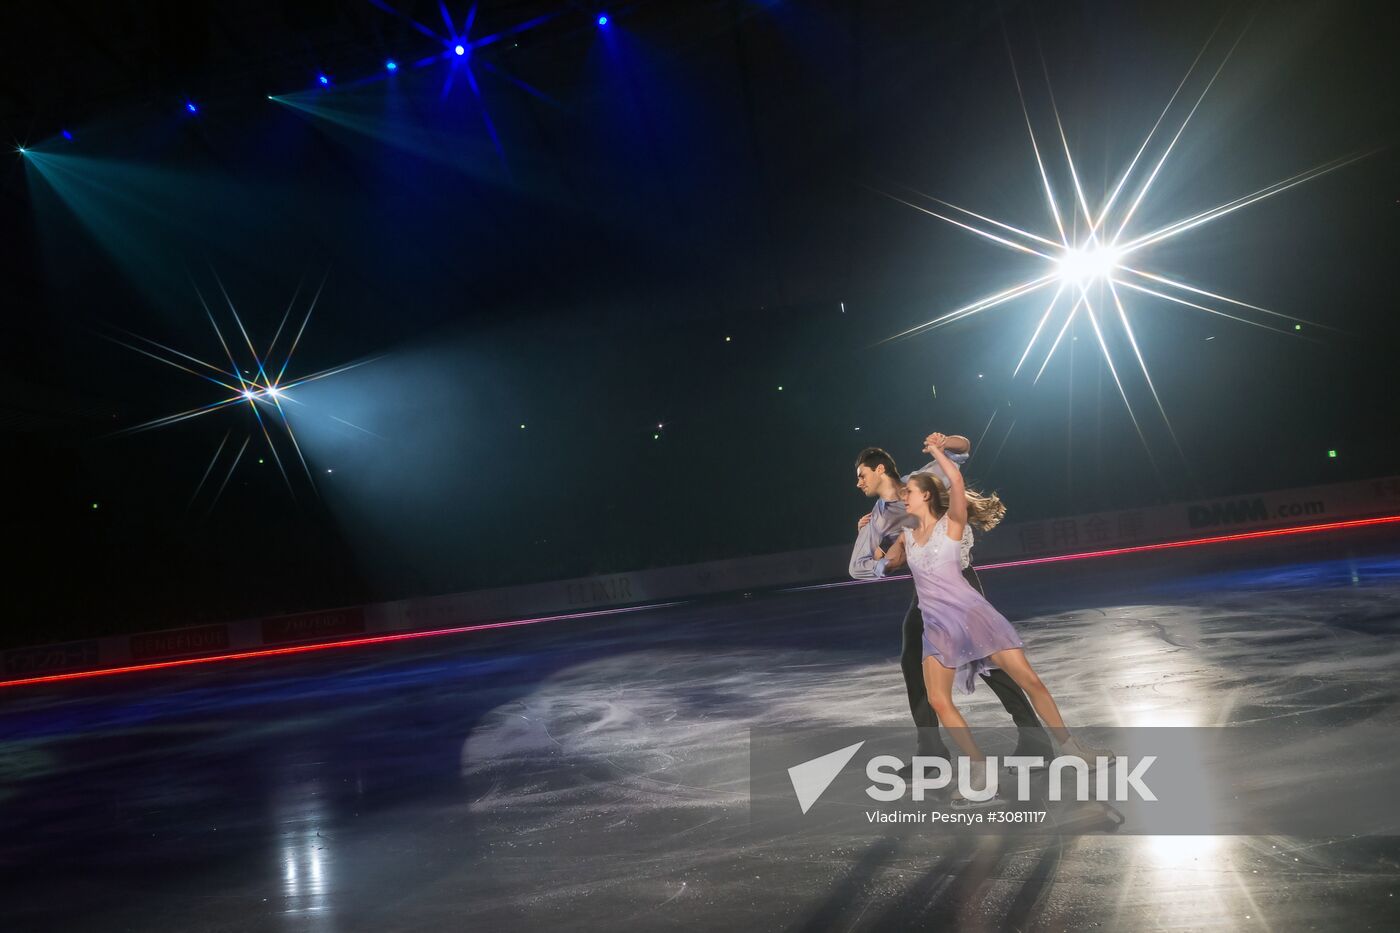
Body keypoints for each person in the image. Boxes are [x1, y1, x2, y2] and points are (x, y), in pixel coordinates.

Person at [878, 433, 1111, 803]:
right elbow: (888, 559)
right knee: (939, 700)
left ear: (926, 495)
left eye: (910, 490)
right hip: (938, 627)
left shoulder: (951, 524)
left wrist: (939, 451)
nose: (903, 494)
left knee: (1031, 681)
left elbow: (954, 480)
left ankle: (1070, 746)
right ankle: (980, 769)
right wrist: (870, 545)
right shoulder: (907, 531)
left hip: (974, 617)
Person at [851, 439, 1054, 783]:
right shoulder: (880, 517)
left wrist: (943, 442)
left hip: (958, 580)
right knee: (910, 660)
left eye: (862, 474)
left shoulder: (922, 478)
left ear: (880, 468)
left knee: (986, 660)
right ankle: (931, 753)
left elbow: (961, 451)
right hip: (927, 592)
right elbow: (877, 564)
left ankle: (1036, 740)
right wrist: (868, 538)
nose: (859, 482)